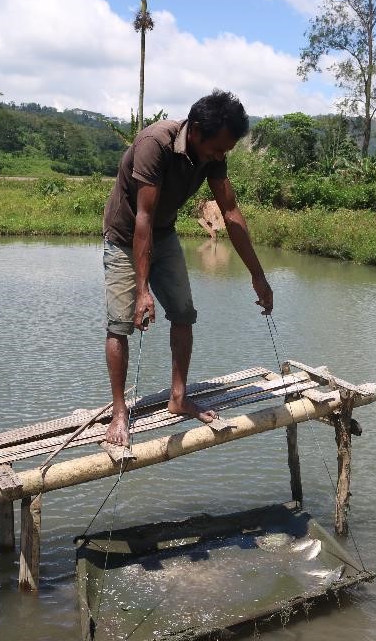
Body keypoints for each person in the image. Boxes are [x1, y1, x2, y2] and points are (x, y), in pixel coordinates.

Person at [102, 90, 273, 446]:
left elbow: (230, 213)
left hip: (162, 233)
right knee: (120, 324)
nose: (220, 156)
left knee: (183, 313)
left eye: (225, 151)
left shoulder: (212, 153)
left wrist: (257, 275)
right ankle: (120, 414)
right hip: (125, 235)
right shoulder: (155, 144)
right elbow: (142, 219)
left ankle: (178, 398)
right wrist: (143, 291)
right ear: (194, 130)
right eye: (217, 148)